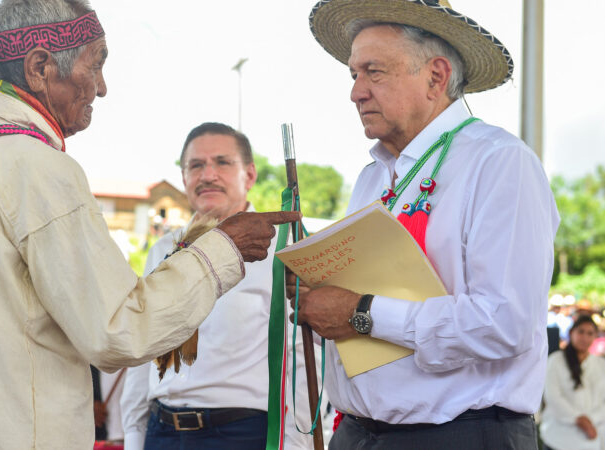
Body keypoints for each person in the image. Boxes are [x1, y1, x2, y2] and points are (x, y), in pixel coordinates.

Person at [0, 1, 299, 448]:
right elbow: (120, 329)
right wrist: (225, 248)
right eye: (96, 65)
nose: (101, 88)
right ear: (40, 67)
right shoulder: (35, 167)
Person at [289, 1, 560, 448]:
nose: (356, 92)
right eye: (353, 74)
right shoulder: (373, 176)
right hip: (360, 431)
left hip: (460, 434)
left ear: (435, 77)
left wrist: (359, 312)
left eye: (373, 72)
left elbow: (504, 321)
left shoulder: (498, 161)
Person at [121, 122, 317, 450]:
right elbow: (143, 346)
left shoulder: (284, 249)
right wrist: (133, 436)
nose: (208, 175)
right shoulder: (163, 248)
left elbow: (303, 357)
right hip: (161, 433)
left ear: (250, 175)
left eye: (222, 163)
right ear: (183, 177)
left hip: (241, 434)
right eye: (196, 165)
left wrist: (297, 444)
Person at [540, 315, 605, 450]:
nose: (585, 337)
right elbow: (553, 397)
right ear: (571, 333)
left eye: (590, 333)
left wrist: (591, 421)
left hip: (591, 437)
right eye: (581, 332)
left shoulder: (600, 364)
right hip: (559, 436)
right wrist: (580, 420)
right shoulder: (556, 360)